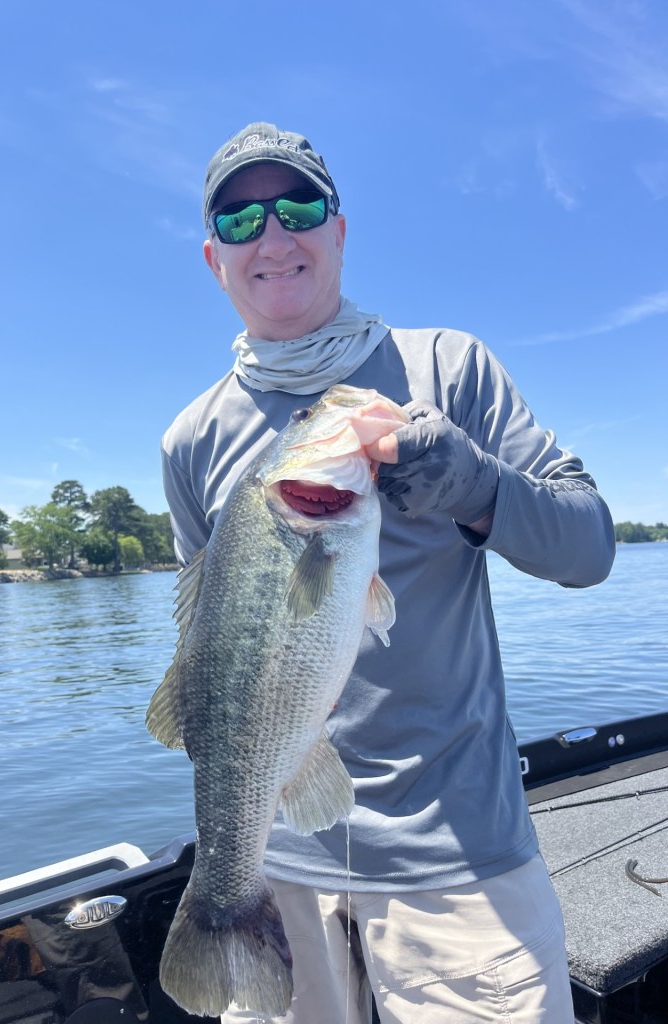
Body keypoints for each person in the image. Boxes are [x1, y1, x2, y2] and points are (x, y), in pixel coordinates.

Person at [161, 121, 615, 1024]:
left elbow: (591, 548)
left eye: (298, 208)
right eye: (240, 220)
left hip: (456, 858)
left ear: (338, 229)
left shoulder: (449, 367)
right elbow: (206, 660)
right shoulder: (190, 439)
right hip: (276, 859)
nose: (272, 237)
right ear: (215, 259)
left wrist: (478, 487)